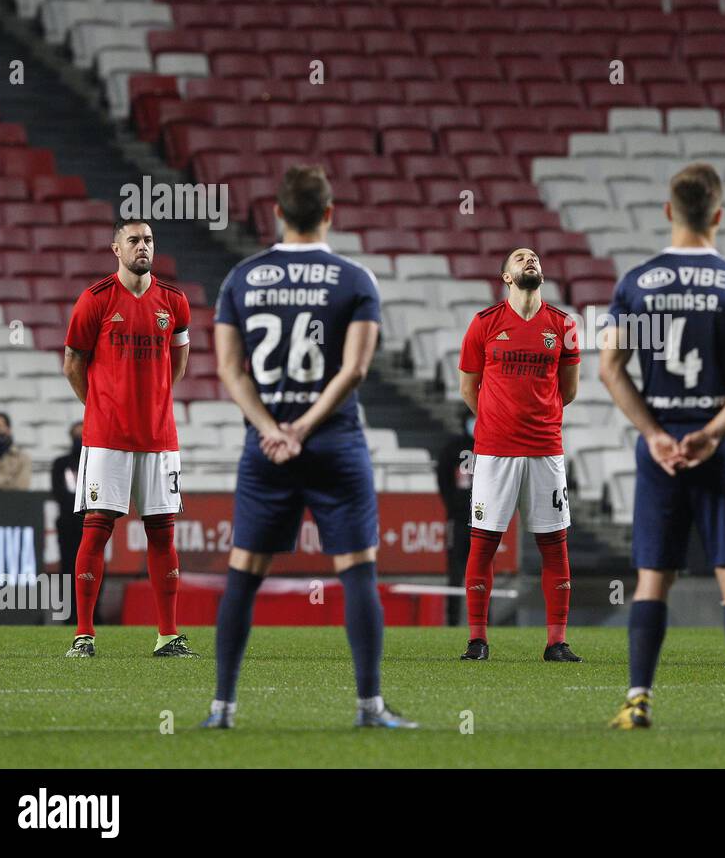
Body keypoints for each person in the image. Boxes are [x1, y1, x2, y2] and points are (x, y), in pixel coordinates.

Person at [204, 164, 416, 729]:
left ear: (276, 212)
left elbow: (229, 369)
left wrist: (273, 428)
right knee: (357, 571)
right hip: (335, 443)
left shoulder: (241, 279)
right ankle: (369, 707)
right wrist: (305, 427)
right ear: (328, 213)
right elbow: (355, 369)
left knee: (244, 571)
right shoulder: (354, 280)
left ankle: (222, 708)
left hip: (265, 447)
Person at [602, 162, 725, 730]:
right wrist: (713, 431)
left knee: (653, 577)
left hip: (659, 449)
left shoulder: (636, 282)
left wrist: (655, 434)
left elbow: (610, 368)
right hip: (717, 444)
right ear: (719, 215)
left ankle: (637, 702)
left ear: (667, 212)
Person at [62, 219, 194, 659]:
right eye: (134, 240)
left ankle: (168, 635)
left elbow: (177, 363)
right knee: (96, 530)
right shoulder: (95, 300)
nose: (143, 246)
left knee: (163, 534)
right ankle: (84, 635)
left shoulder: (174, 301)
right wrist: (100, 407)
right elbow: (72, 364)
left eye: (149, 240)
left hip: (159, 439)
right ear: (115, 248)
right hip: (107, 440)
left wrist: (154, 401)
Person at [457, 247, 581, 661]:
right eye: (518, 258)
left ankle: (556, 642)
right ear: (505, 277)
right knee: (484, 544)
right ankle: (477, 640)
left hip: (546, 449)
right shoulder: (484, 324)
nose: (529, 260)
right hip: (495, 451)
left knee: (554, 545)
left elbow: (570, 389)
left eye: (533, 257)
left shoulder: (563, 325)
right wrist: (498, 422)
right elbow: (467, 388)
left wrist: (538, 420)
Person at [437, 408, 476, 627]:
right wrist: (452, 505)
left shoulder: (489, 446)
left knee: (482, 571)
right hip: (459, 519)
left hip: (482, 520)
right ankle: (452, 620)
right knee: (455, 570)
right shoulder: (452, 448)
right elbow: (443, 478)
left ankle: (482, 621)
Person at [51, 421, 85, 623]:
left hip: (91, 523)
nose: (79, 440)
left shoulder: (97, 462)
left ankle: (93, 613)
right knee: (68, 567)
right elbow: (58, 492)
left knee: (92, 567)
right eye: (76, 436)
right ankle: (70, 614)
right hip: (68, 524)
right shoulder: (61, 463)